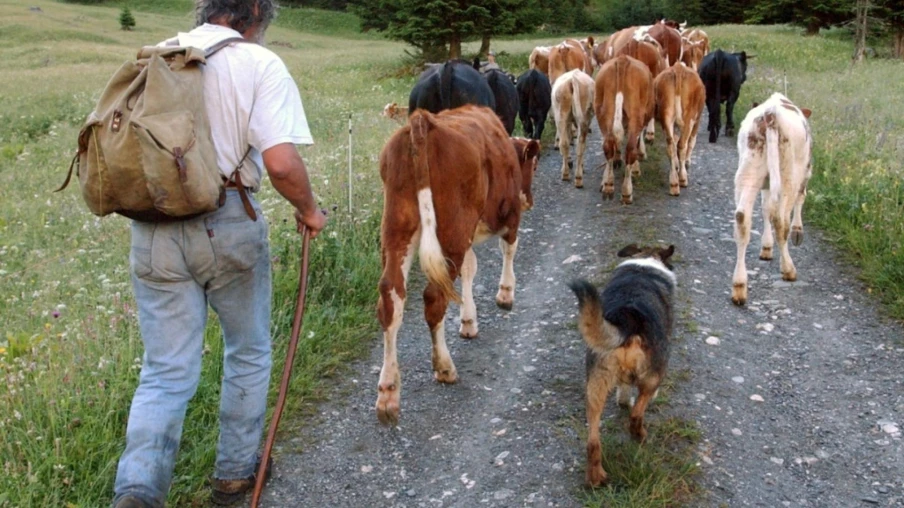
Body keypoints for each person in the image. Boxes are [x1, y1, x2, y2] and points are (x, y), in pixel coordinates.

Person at [112, 1, 327, 506]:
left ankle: (139, 488)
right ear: (252, 12)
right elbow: (281, 162)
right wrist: (310, 209)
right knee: (248, 350)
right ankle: (234, 474)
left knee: (164, 368)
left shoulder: (159, 56)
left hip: (153, 227)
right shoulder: (258, 63)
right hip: (227, 219)